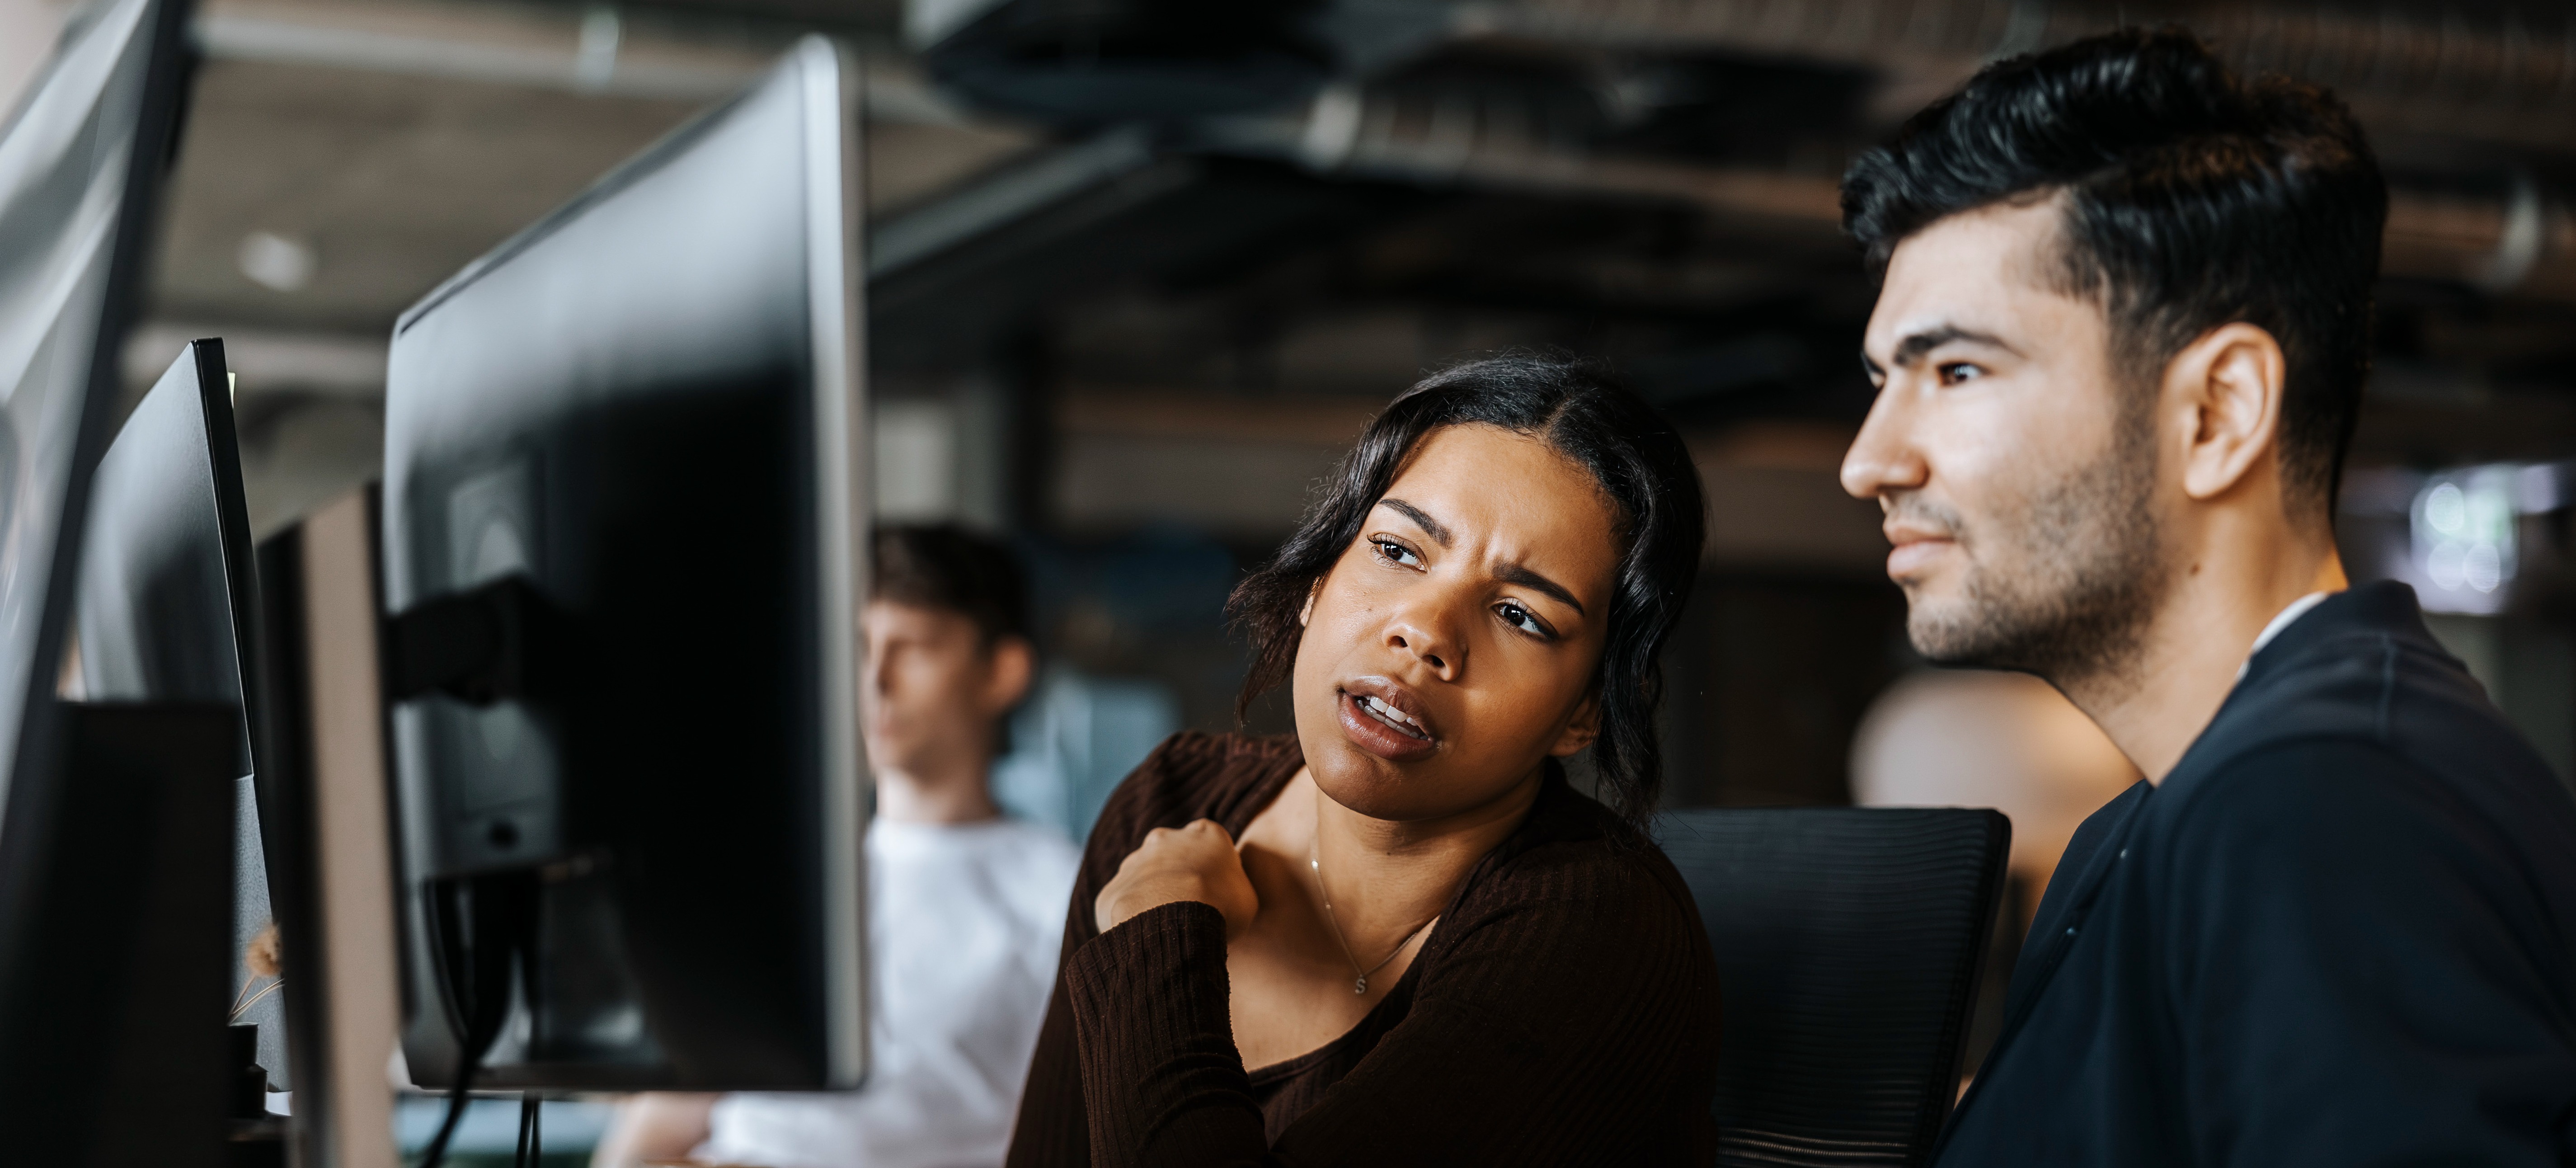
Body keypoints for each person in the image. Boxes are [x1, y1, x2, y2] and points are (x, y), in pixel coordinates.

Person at [1838, 27, 2576, 1164]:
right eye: (1884, 380)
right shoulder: (2149, 821)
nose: (1871, 459)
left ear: (2218, 412)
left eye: (1958, 371)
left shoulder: (2323, 800)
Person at [1004, 355, 1720, 1167]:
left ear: (1587, 709)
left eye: (1520, 614)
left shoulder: (1599, 928)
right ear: (1318, 578)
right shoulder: (1170, 801)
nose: (1426, 632)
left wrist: (1161, 928)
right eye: (1399, 550)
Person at [594, 524, 1081, 1168]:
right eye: (860, 647)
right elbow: (650, 1139)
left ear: (1001, 672)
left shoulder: (1061, 890)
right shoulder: (779, 881)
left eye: (912, 648)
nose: (875, 680)